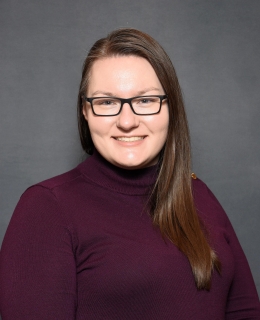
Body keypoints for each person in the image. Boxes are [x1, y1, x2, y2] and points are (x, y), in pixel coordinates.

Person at [0, 28, 259, 320]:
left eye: (145, 100)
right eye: (107, 102)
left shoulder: (198, 194)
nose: (127, 121)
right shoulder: (46, 208)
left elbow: (244, 310)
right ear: (85, 112)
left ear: (169, 106)